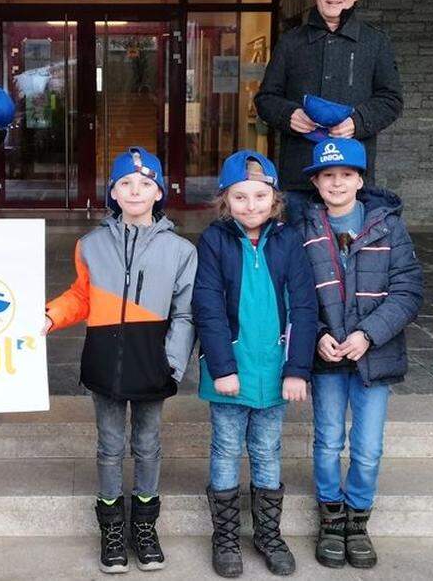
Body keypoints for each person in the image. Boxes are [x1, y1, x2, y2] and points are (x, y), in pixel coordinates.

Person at [43, 147, 197, 574]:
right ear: (112, 192)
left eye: (145, 184)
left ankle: (144, 528)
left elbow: (185, 313)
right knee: (110, 446)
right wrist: (50, 316)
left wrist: (173, 363)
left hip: (153, 362)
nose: (135, 190)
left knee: (147, 445)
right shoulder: (90, 244)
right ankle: (111, 529)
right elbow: (81, 296)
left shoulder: (181, 250)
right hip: (105, 361)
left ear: (159, 192)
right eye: (125, 183)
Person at [292, 138, 423, 569]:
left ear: (360, 179)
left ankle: (358, 517)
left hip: (374, 356)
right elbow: (294, 293)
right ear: (315, 181)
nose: (337, 183)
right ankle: (331, 516)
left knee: (367, 446)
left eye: (346, 175)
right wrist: (315, 337)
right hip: (327, 358)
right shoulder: (304, 229)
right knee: (328, 440)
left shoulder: (388, 226)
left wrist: (368, 334)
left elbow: (407, 291)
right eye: (327, 175)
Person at [193, 151, 319, 578]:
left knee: (267, 451)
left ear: (275, 198)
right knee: (227, 449)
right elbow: (207, 307)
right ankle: (226, 537)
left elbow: (304, 305)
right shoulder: (213, 240)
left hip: (275, 373)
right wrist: (221, 367)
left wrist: (298, 369)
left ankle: (268, 533)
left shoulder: (289, 240)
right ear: (226, 200)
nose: (252, 205)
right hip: (229, 371)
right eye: (241, 197)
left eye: (260, 196)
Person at [254, 0, 403, 200]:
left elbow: (391, 100)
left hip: (351, 176)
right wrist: (288, 115)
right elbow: (265, 99)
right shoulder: (291, 42)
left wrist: (358, 121)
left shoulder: (376, 42)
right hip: (299, 177)